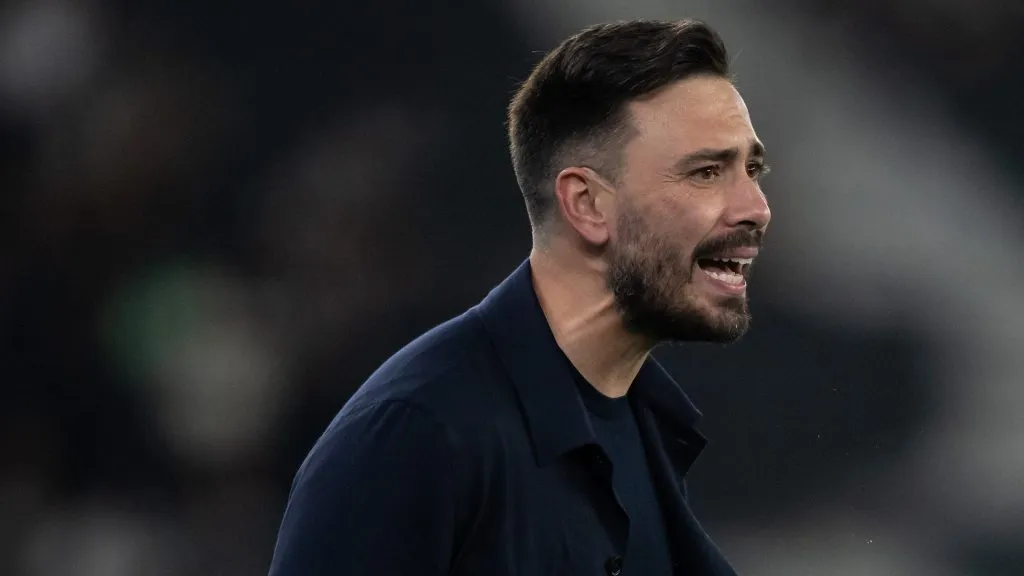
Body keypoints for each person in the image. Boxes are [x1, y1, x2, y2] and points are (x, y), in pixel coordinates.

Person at [269, 18, 771, 576]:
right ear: (586, 204)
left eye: (751, 169)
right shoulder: (420, 432)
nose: (756, 206)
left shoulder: (647, 426)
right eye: (706, 172)